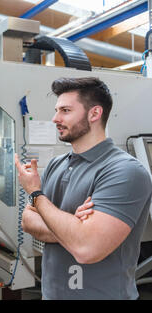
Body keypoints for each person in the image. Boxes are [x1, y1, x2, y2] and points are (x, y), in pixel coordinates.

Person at [15, 77, 152, 299]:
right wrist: (73, 228)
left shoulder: (125, 171)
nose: (55, 119)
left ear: (94, 114)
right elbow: (27, 221)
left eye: (65, 111)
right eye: (57, 110)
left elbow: (87, 248)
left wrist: (36, 194)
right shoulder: (56, 164)